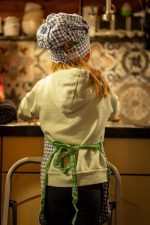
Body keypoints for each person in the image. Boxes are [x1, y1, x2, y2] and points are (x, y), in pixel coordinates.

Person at [17, 13, 119, 225]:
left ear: (53, 57)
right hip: (92, 179)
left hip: (57, 178)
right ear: (88, 54)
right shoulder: (102, 87)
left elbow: (23, 112)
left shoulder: (43, 87)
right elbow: (115, 111)